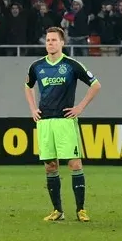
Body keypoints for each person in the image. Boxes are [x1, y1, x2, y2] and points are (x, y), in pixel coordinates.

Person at [23, 26, 102, 222]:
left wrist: (80, 107)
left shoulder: (72, 65)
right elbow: (27, 86)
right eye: (48, 40)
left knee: (74, 164)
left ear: (62, 43)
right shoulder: (37, 66)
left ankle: (81, 210)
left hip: (65, 121)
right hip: (45, 122)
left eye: (54, 40)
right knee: (50, 166)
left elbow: (96, 84)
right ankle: (57, 210)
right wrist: (33, 109)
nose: (50, 43)